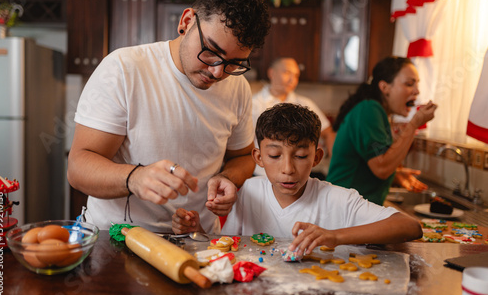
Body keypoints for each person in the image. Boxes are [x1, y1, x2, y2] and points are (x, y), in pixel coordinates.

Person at [67, 0, 271, 233]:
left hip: (197, 241)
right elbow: (78, 167)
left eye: (234, 63)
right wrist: (134, 178)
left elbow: (242, 157)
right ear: (186, 22)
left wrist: (227, 178)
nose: (218, 72)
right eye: (210, 50)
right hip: (117, 244)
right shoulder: (124, 69)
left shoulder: (237, 87)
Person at [172, 103, 422, 255]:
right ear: (258, 157)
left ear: (316, 157)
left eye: (301, 155)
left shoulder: (338, 198)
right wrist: (198, 232)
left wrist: (335, 237)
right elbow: (226, 245)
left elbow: (411, 227)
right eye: (274, 155)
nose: (288, 168)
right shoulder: (249, 191)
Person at [326, 56, 438, 205]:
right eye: (409, 84)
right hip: (343, 208)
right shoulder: (370, 109)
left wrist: (395, 175)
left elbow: (371, 164)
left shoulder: (375, 111)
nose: (417, 91)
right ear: (385, 87)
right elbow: (382, 167)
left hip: (348, 206)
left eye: (417, 84)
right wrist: (414, 123)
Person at [252, 57, 336, 177]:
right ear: (271, 73)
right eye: (287, 73)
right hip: (262, 174)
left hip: (300, 175)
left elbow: (328, 133)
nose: (292, 79)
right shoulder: (253, 104)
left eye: (296, 75)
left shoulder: (305, 104)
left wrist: (334, 167)